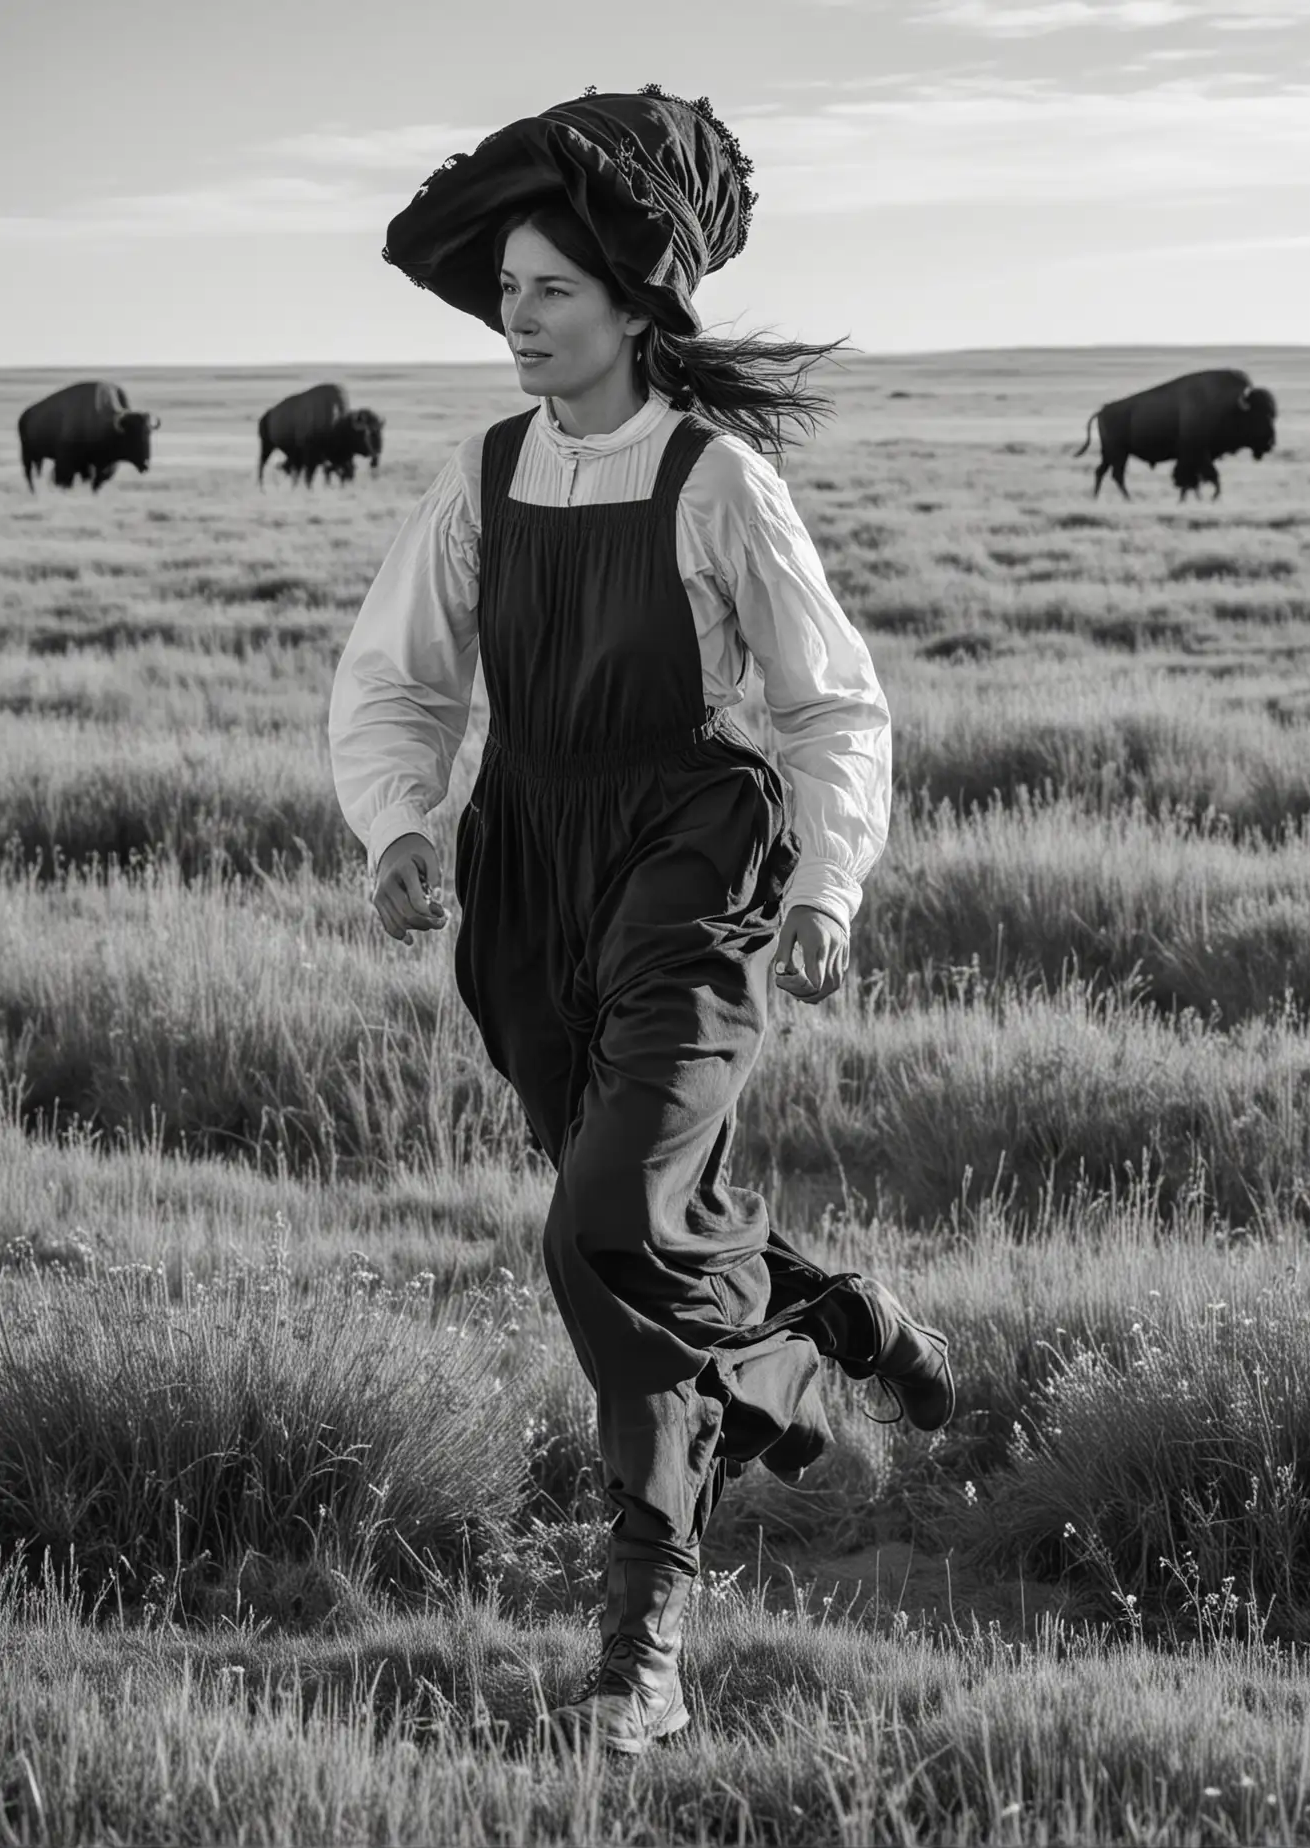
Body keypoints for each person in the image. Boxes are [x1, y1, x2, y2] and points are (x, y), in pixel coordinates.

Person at [329, 85, 953, 1757]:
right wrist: (401, 829)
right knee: (647, 1221)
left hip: (692, 851)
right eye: (509, 293)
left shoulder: (715, 477)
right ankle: (823, 1318)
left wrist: (826, 883)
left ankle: (643, 1635)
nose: (517, 320)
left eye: (550, 291)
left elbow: (833, 708)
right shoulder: (480, 476)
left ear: (631, 304)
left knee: (600, 1226)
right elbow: (395, 679)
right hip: (528, 872)